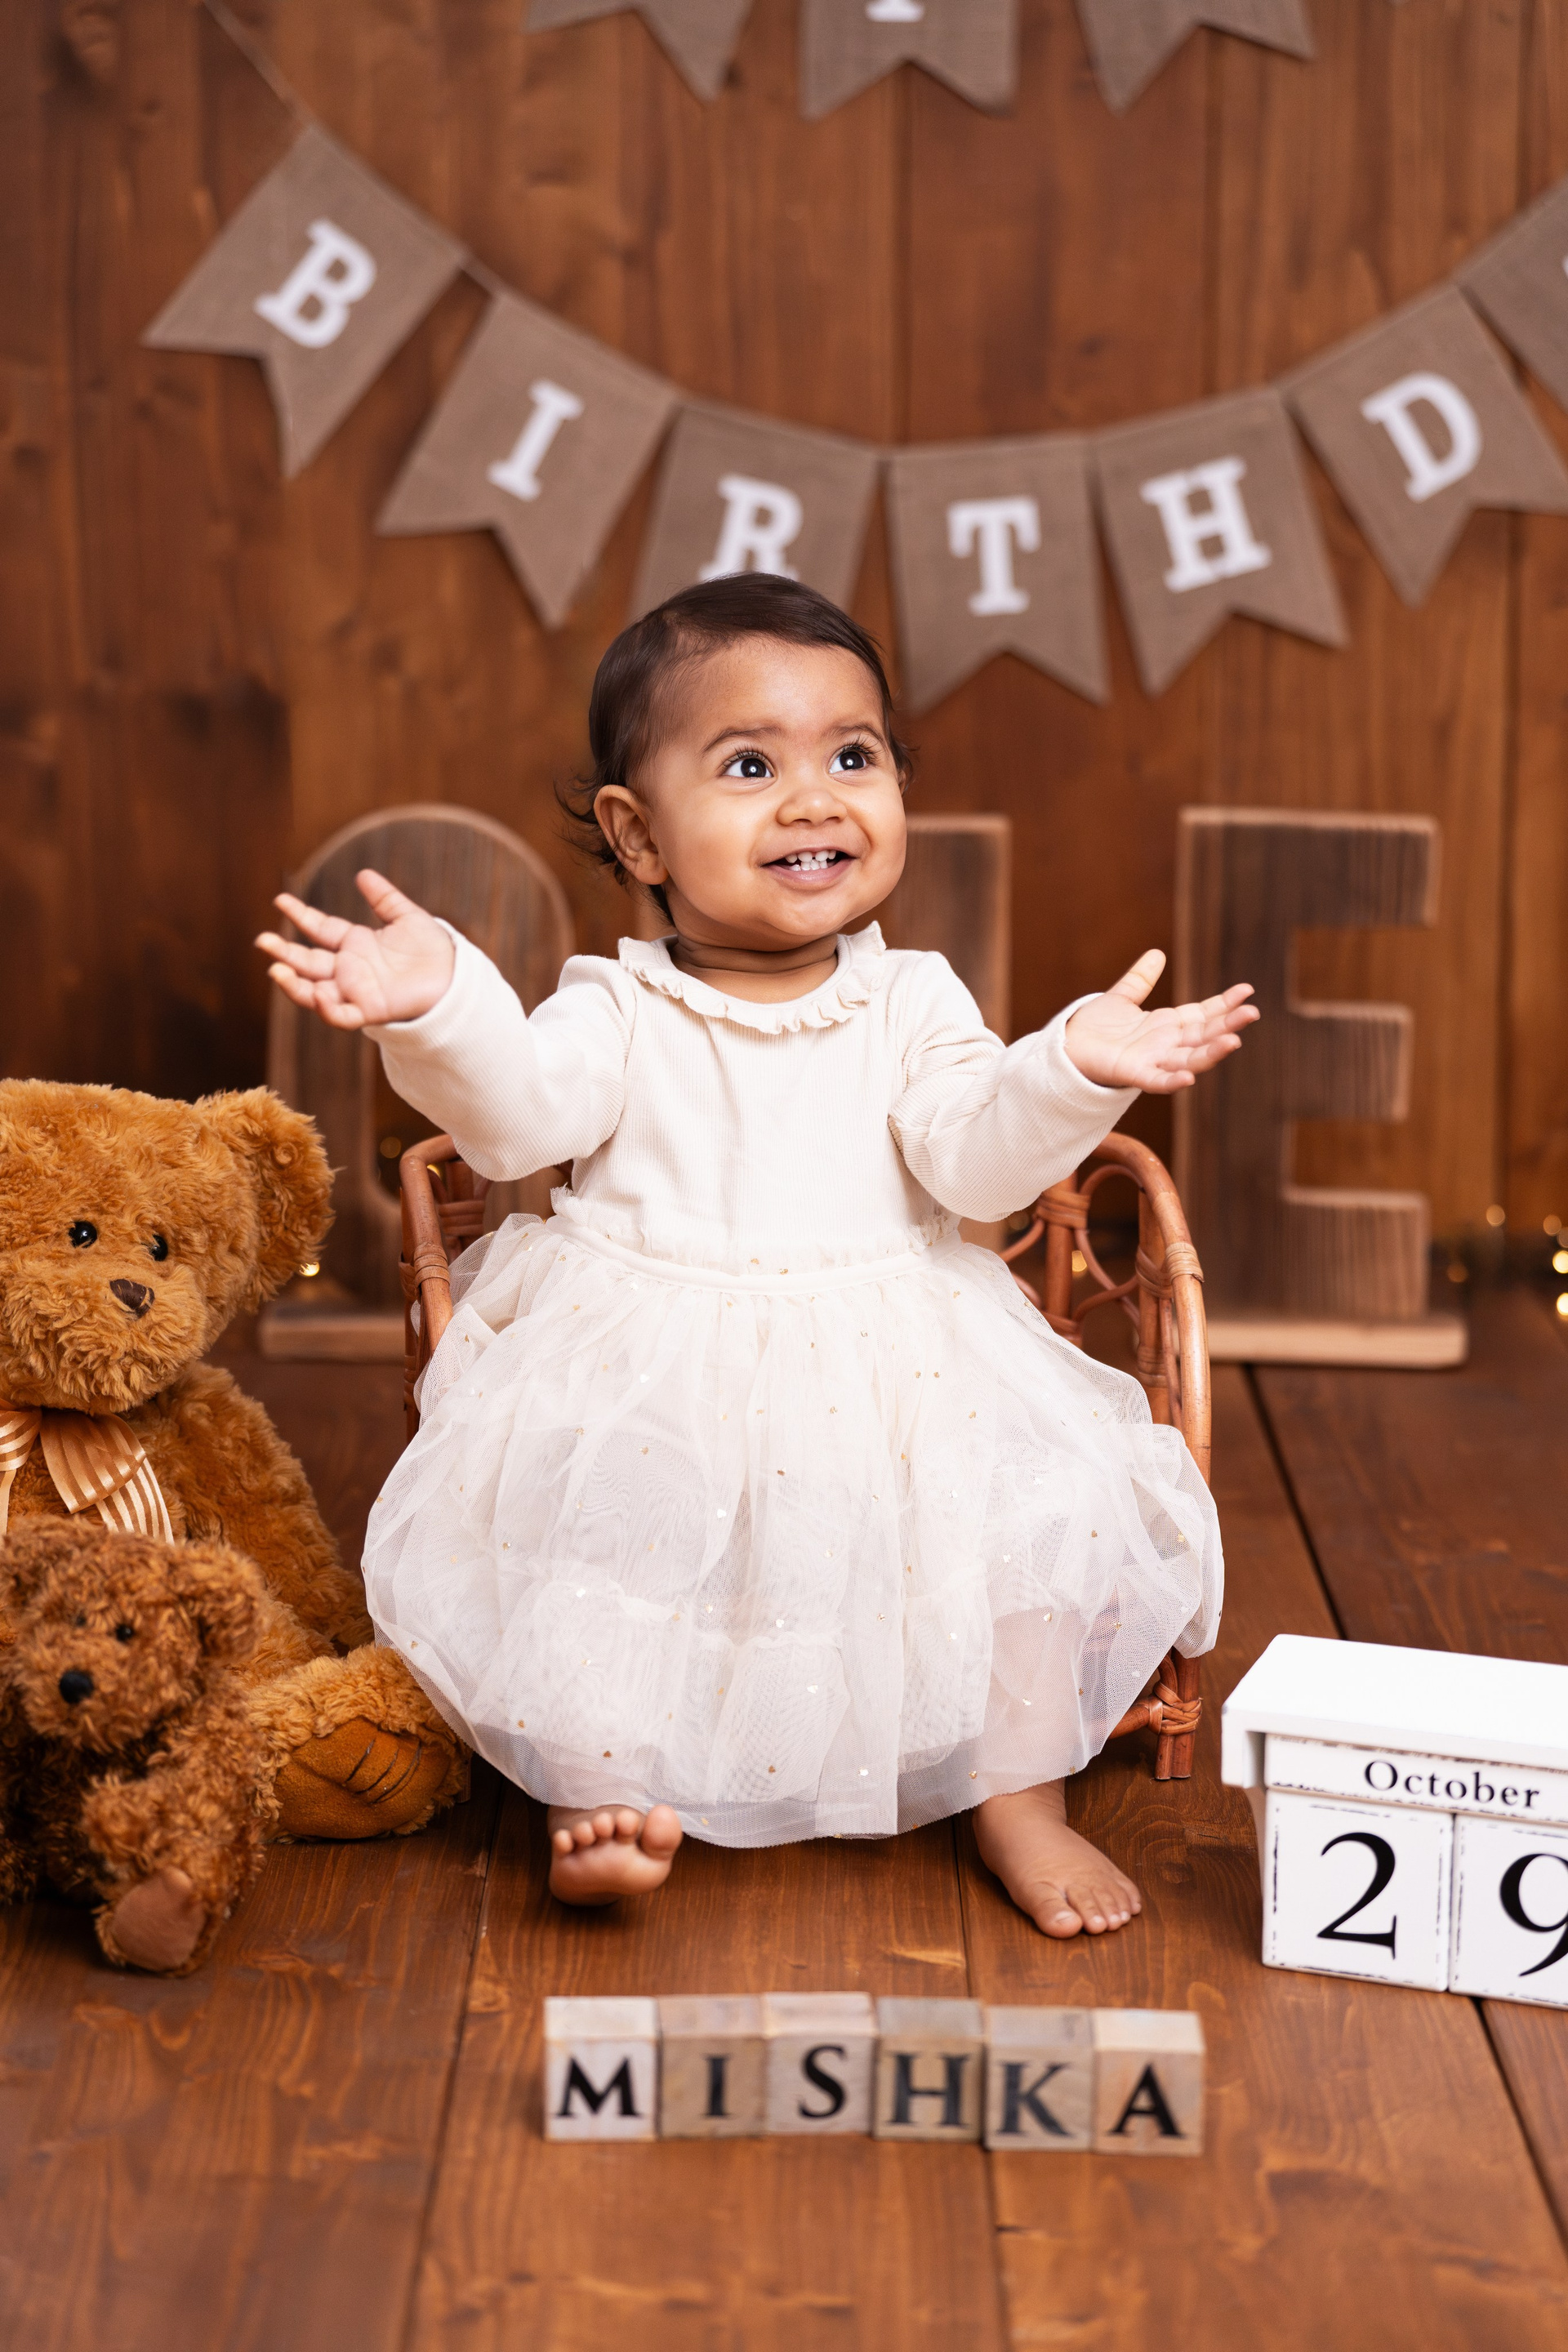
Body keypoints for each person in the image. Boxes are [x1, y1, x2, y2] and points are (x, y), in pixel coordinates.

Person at [257, 576, 1255, 1938]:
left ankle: (1017, 1791)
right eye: (749, 766)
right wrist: (442, 1009)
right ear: (638, 834)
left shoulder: (913, 999)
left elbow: (977, 1163)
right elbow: (518, 1120)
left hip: (897, 1365)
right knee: (598, 1537)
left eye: (854, 757)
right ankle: (599, 1794)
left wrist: (1074, 1066)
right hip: (656, 1363)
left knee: (1037, 1513)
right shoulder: (618, 1005)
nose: (812, 801)